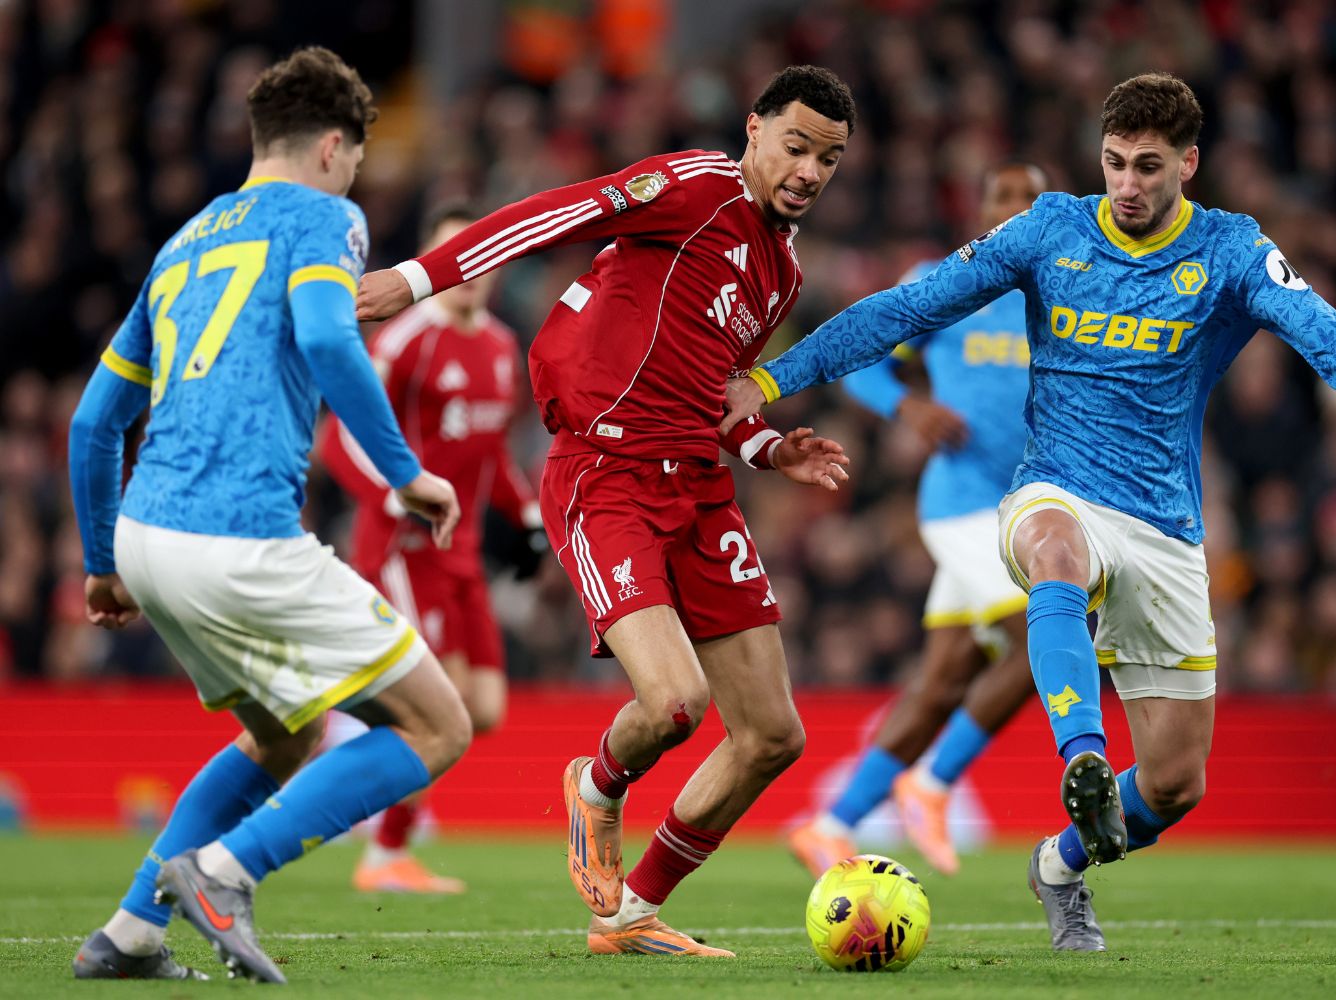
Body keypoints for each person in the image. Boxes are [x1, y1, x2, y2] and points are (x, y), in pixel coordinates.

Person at [721, 72, 1336, 953]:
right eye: (1115, 163)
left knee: (1172, 786)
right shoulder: (1051, 230)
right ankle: (1080, 753)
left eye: (1149, 167)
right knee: (1052, 550)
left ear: (1189, 165)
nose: (1127, 184)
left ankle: (1059, 861)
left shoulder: (1233, 253)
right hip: (1052, 491)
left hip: (1163, 526)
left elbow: (1324, 332)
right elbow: (907, 308)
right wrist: (774, 379)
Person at [356, 65, 856, 957]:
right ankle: (597, 784)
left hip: (698, 486)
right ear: (753, 130)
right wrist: (416, 277)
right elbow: (554, 211)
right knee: (673, 704)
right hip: (608, 474)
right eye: (797, 145)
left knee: (773, 734)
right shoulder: (691, 187)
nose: (811, 170)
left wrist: (771, 449)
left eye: (830, 158)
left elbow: (711, 395)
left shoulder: (780, 274)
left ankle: (629, 914)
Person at [67, 48, 469, 983]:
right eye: (359, 160)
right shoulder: (326, 217)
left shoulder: (182, 246)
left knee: (284, 735)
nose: (358, 176)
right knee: (436, 724)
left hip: (147, 533)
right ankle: (225, 870)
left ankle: (130, 931)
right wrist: (405, 473)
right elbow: (330, 333)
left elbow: (95, 422)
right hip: (236, 534)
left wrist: (100, 562)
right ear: (334, 146)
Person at [788, 164, 1047, 878]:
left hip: (1025, 510)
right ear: (983, 209)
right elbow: (864, 358)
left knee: (943, 681)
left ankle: (829, 824)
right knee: (1045, 638)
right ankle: (931, 785)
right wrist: (909, 408)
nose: (1018, 210)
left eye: (1033, 201)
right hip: (960, 505)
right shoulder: (949, 281)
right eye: (1005, 198)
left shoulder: (1067, 294)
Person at [317, 202, 544, 895]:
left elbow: (490, 450)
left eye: (481, 257)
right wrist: (395, 496)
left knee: (486, 711)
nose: (470, 272)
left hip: (463, 550)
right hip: (405, 545)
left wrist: (526, 511)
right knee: (439, 705)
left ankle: (351, 717)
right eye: (454, 255)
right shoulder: (401, 341)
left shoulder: (503, 347)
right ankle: (386, 851)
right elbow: (337, 438)